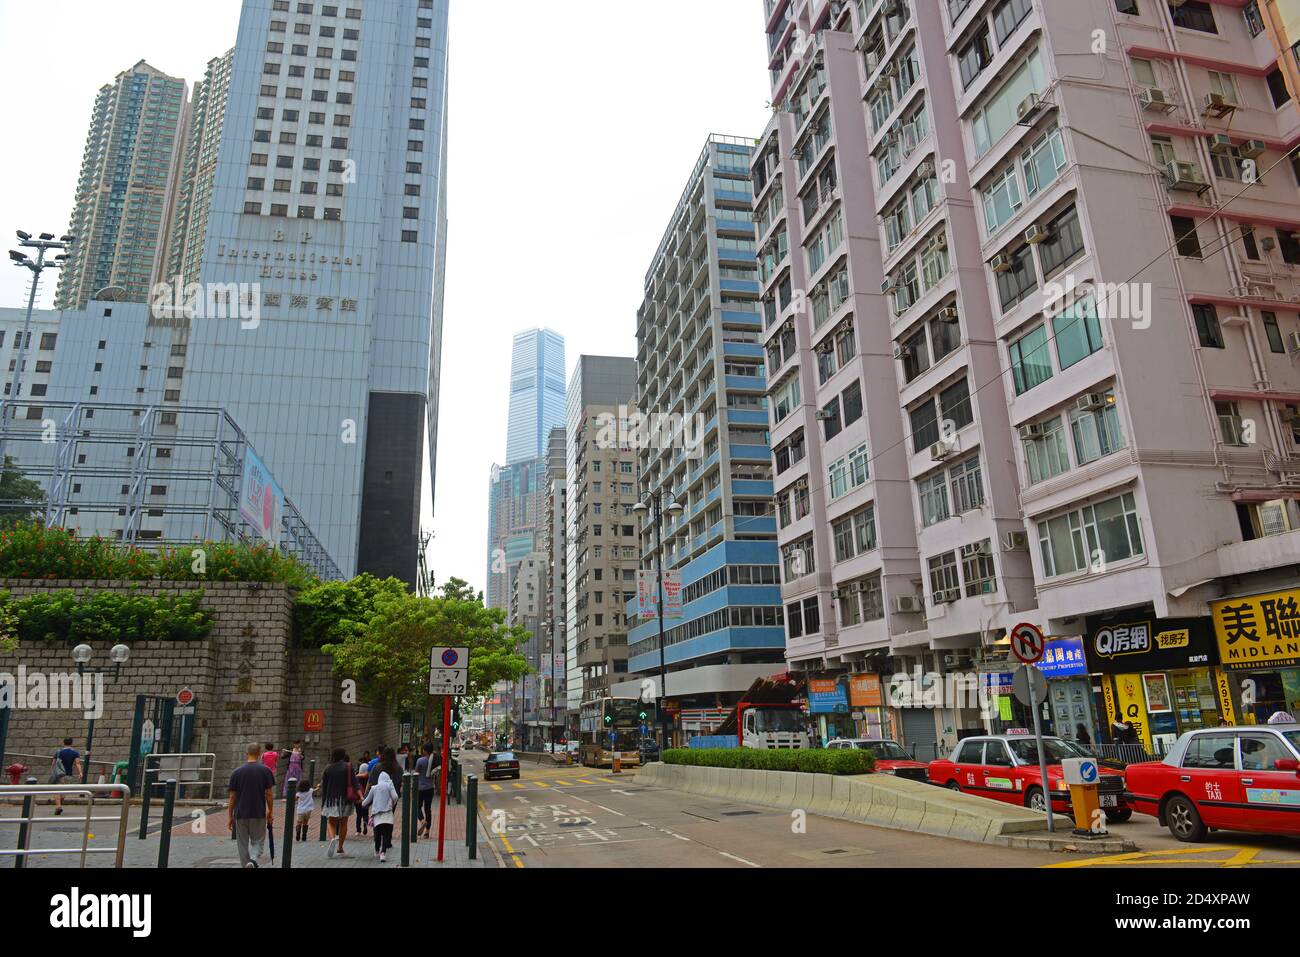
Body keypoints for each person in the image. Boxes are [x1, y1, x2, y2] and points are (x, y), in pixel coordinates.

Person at [228, 743, 275, 869]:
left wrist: (230, 816)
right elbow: (269, 794)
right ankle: (253, 860)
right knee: (258, 841)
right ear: (259, 754)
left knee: (242, 844)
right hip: (258, 812)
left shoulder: (236, 772)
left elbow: (232, 797)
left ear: (246, 754)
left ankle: (246, 865)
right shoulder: (265, 771)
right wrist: (270, 811)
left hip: (240, 813)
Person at [319, 747, 357, 858]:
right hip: (346, 799)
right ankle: (340, 848)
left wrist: (324, 801)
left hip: (331, 798)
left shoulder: (328, 769)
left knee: (331, 822)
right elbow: (353, 782)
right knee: (344, 823)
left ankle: (332, 839)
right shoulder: (348, 767)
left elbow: (325, 787)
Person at [363, 764, 400, 863]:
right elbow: (396, 797)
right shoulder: (389, 785)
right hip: (388, 814)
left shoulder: (374, 788)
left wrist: (362, 803)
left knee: (377, 834)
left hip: (377, 814)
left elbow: (366, 802)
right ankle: (383, 853)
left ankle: (376, 850)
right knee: (386, 834)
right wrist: (392, 805)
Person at [49, 738, 82, 815]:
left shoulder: (58, 752)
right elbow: (77, 763)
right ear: (71, 743)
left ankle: (58, 806)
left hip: (59, 774)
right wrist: (80, 772)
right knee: (63, 791)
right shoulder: (75, 753)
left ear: (63, 743)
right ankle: (59, 805)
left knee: (56, 790)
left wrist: (52, 772)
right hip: (68, 774)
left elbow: (53, 763)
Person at [414, 743, 438, 838]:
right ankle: (427, 832)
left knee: (417, 806)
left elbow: (416, 773)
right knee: (428, 809)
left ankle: (422, 820)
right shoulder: (434, 761)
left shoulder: (420, 760)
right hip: (430, 788)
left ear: (425, 751)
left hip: (420, 788)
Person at [353, 751, 371, 835]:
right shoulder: (369, 779)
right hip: (366, 798)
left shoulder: (356, 778)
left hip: (358, 799)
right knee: (365, 813)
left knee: (358, 814)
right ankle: (365, 822)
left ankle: (358, 830)